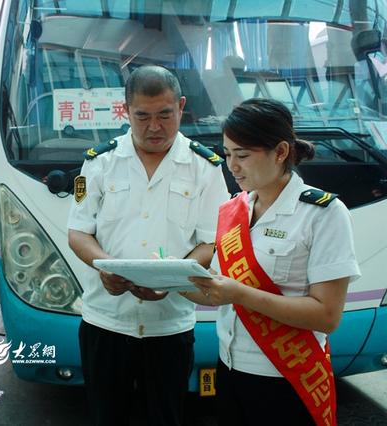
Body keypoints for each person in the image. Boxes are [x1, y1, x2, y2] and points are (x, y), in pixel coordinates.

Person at [67, 65, 229, 425]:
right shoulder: (97, 163)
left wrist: (172, 280)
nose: (154, 127)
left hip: (169, 327)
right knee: (107, 417)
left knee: (167, 417)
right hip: (106, 323)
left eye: (164, 115)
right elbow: (78, 232)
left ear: (181, 107)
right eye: (142, 116)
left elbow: (211, 242)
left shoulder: (206, 168)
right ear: (125, 110)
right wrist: (104, 266)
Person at [189, 98, 361, 426]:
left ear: (281, 152)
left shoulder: (322, 215)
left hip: (286, 379)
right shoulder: (233, 209)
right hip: (228, 366)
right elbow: (218, 290)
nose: (232, 166)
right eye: (227, 154)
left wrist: (239, 294)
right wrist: (169, 279)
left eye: (242, 155)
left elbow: (326, 316)